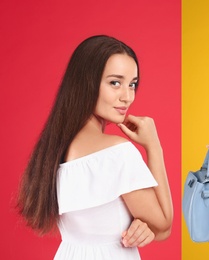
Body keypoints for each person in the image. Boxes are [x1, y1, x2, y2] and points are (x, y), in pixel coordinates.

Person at [16, 35, 173, 259]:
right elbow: (164, 225)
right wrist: (154, 147)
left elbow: (110, 222)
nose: (127, 96)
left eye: (132, 84)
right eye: (115, 83)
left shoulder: (53, 151)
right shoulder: (118, 153)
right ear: (86, 83)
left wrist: (142, 226)